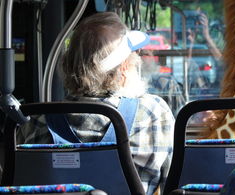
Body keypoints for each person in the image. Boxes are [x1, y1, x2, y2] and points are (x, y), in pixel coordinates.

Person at [17, 12, 175, 195]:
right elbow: (170, 183)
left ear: (68, 63)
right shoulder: (154, 112)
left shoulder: (36, 119)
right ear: (124, 67)